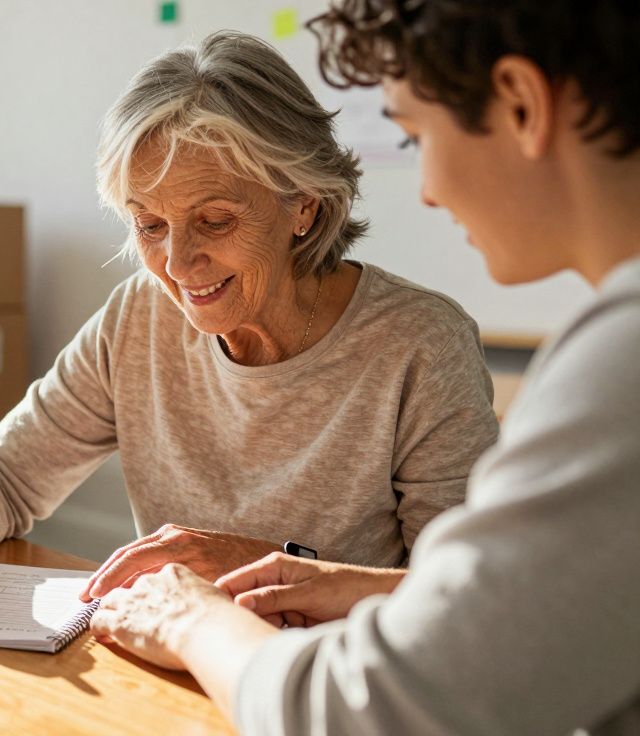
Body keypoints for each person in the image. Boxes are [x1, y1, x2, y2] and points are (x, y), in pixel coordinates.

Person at [89, 4, 640, 733]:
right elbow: (517, 619)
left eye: (417, 135)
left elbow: (380, 708)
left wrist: (192, 617)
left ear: (520, 103)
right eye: (150, 224)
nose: (428, 191)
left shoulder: (619, 357)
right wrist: (340, 585)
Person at [0, 32, 499, 608]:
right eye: (149, 225)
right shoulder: (139, 315)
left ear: (303, 205)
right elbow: (1, 470)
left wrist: (260, 568)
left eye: (216, 220)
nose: (177, 263)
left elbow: (470, 600)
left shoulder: (421, 345)